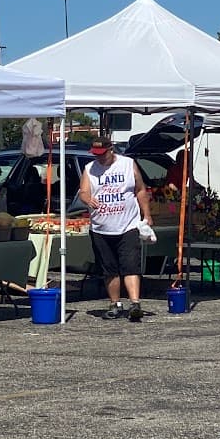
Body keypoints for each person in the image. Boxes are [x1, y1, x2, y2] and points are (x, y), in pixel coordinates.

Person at [79, 136, 152, 321]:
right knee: (109, 269)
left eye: (102, 154)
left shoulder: (128, 164)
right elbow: (83, 191)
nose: (100, 158)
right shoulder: (90, 168)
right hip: (101, 227)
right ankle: (115, 304)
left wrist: (147, 215)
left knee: (130, 265)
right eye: (96, 155)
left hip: (128, 225)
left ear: (111, 149)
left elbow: (140, 190)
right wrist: (87, 199)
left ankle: (135, 304)